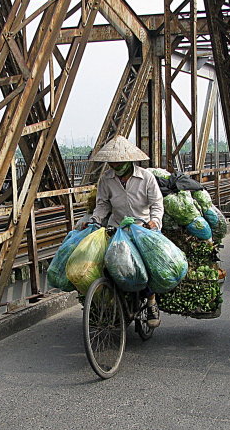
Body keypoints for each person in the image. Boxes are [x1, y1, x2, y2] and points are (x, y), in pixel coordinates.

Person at [88, 135, 164, 328]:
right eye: (112, 163)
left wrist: (154, 221)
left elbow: (156, 203)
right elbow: (102, 204)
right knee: (107, 262)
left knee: (148, 264)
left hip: (143, 228)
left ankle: (152, 302)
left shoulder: (146, 178)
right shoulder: (106, 180)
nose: (115, 166)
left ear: (129, 161)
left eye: (119, 162)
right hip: (118, 228)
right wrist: (95, 220)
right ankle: (110, 301)